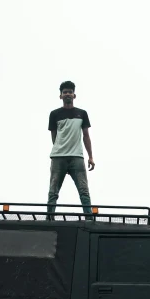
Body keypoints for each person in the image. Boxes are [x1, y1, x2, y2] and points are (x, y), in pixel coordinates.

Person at [47, 81, 95, 216]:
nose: (67, 94)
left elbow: (86, 136)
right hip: (58, 157)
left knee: (84, 190)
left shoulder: (82, 113)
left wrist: (90, 156)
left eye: (70, 92)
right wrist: (59, 148)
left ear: (74, 95)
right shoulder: (54, 114)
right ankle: (49, 218)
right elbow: (54, 136)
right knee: (53, 191)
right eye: (65, 92)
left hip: (77, 157)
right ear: (60, 96)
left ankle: (89, 218)